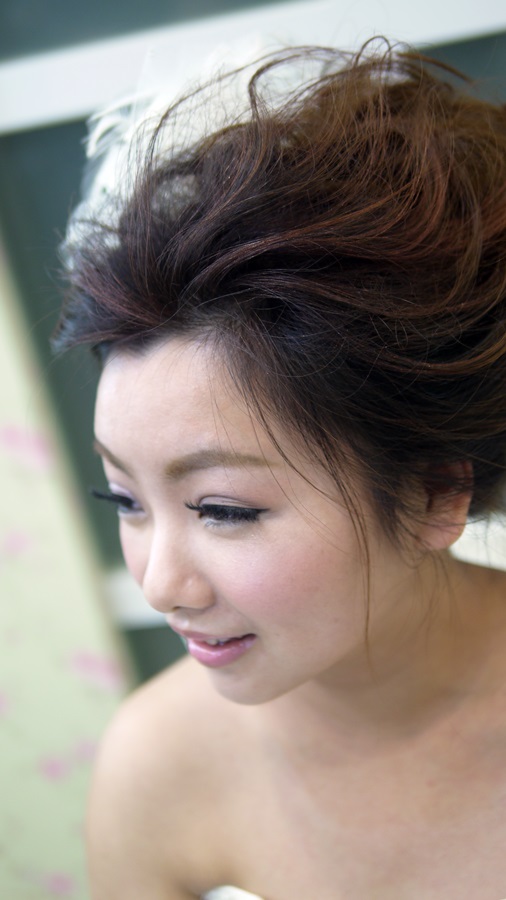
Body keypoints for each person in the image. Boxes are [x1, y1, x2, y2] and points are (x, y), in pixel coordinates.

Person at [54, 40, 506, 899]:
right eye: (124, 498)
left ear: (435, 493)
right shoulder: (158, 766)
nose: (160, 584)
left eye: (222, 509)